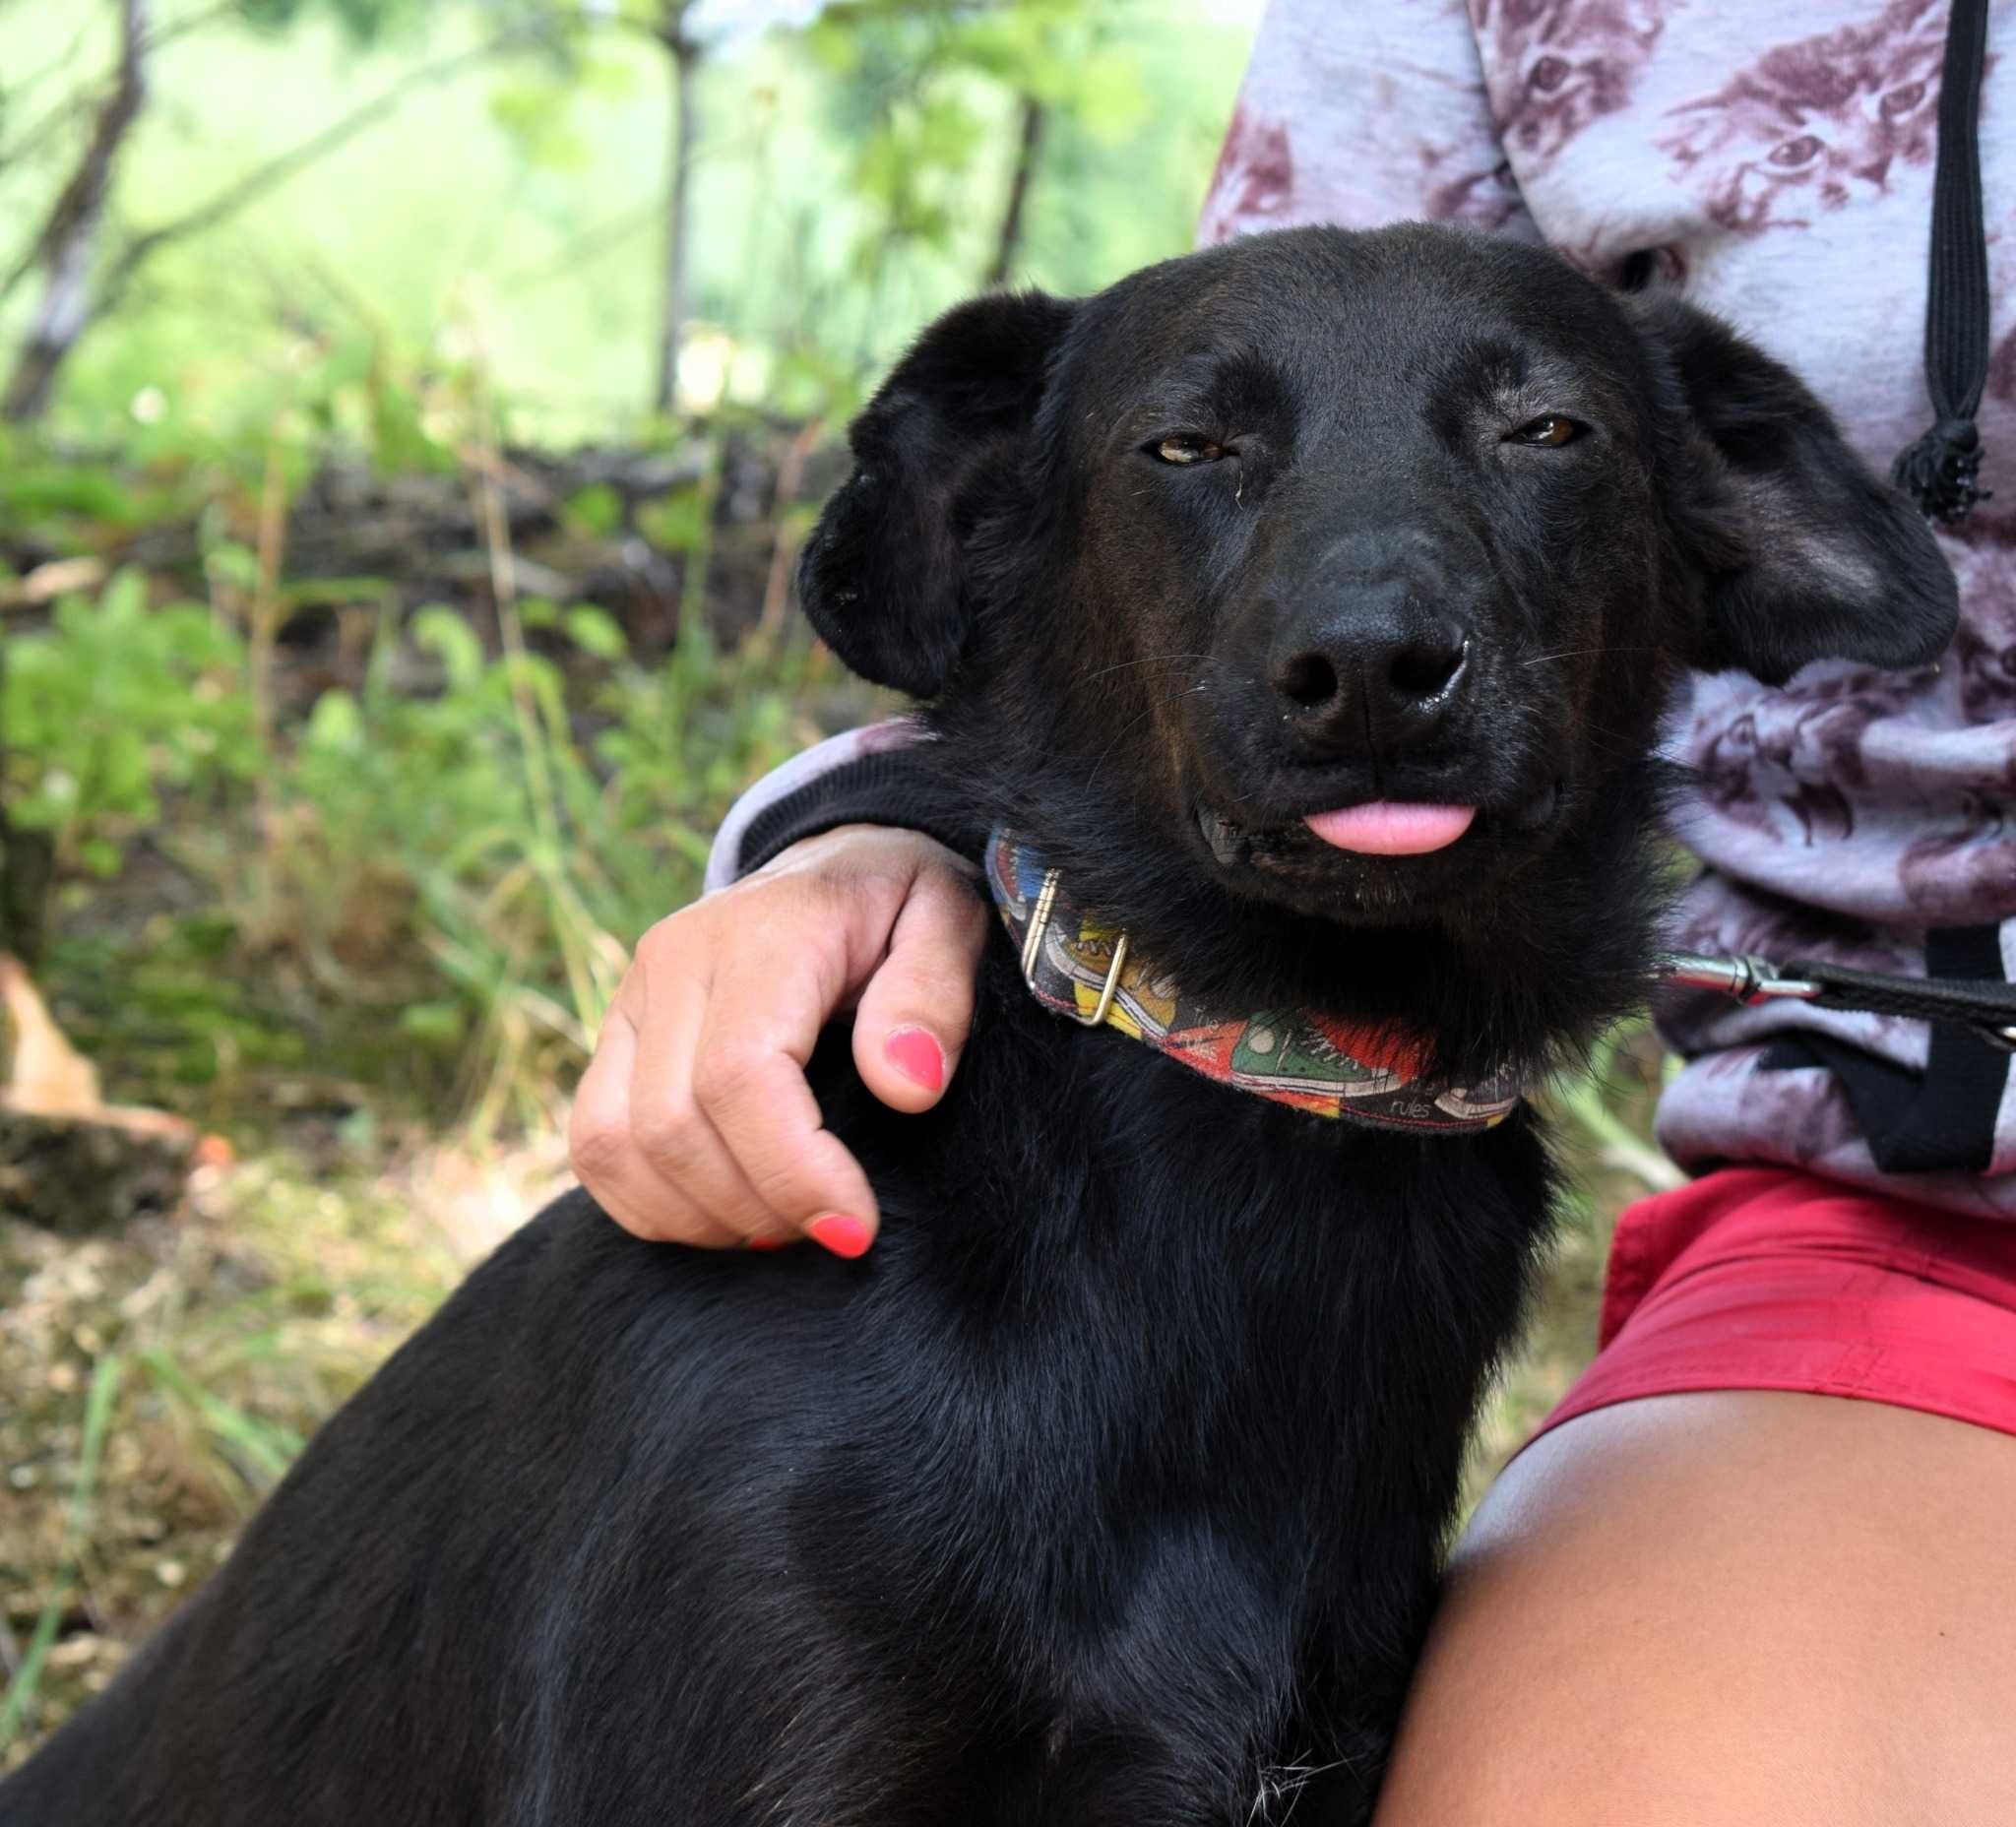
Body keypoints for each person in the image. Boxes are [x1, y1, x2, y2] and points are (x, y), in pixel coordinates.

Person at [569, 1, 2016, 1814]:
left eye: (1541, 432)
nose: (1369, 635)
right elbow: (1218, 420)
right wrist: (866, 832)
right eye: (1200, 451)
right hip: (1921, 1221)